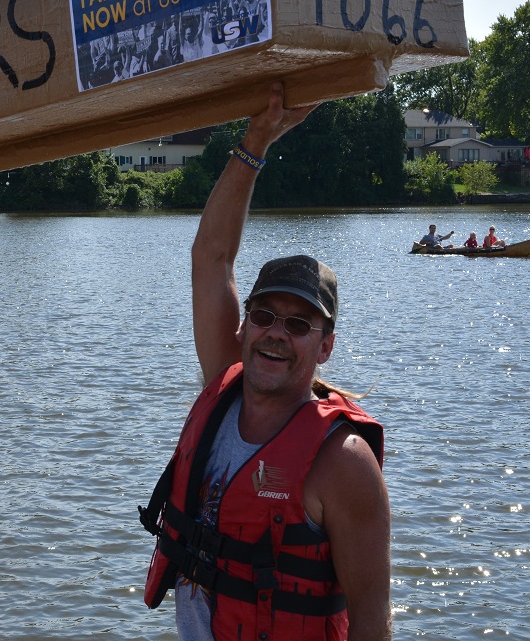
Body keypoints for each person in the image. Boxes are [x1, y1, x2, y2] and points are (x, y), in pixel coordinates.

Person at [139, 83, 391, 641]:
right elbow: (212, 257)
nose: (276, 333)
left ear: (325, 345)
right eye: (264, 315)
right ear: (244, 322)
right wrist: (257, 138)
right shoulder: (224, 383)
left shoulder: (343, 465)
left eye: (300, 324)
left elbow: (374, 622)